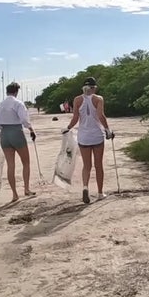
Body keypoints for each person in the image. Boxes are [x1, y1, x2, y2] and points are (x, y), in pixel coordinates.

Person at [63, 76, 114, 204]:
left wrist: (68, 128)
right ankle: (100, 192)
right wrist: (108, 129)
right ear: (94, 87)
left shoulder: (77, 99)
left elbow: (75, 118)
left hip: (83, 137)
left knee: (87, 166)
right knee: (98, 165)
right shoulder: (98, 99)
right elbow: (101, 116)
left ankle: (85, 187)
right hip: (96, 135)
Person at [0, 82, 36, 202]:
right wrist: (31, 130)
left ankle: (14, 194)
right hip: (16, 133)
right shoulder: (18, 103)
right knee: (26, 163)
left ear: (7, 91)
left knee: (11, 165)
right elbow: (24, 120)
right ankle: (26, 189)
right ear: (16, 92)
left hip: (4, 135)